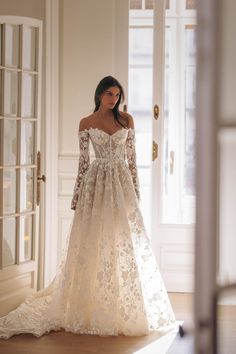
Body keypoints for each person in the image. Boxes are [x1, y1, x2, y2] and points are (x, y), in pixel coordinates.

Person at [0, 76, 176, 339]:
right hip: (96, 184)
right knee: (93, 241)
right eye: (109, 94)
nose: (113, 99)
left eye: (117, 95)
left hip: (122, 184)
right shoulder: (86, 123)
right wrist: (76, 197)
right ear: (99, 95)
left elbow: (132, 159)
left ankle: (120, 304)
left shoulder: (127, 120)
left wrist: (136, 192)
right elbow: (83, 163)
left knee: (122, 240)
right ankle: (90, 304)